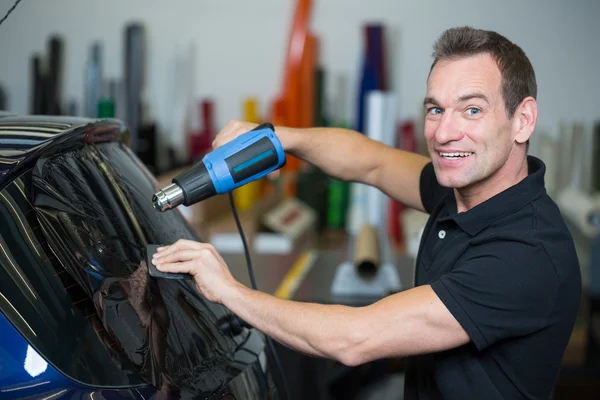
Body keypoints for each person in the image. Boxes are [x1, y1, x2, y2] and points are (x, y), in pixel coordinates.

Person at [152, 26, 582, 399]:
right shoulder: (465, 189)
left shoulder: (526, 253)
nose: (445, 132)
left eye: (472, 109)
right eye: (436, 109)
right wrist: (279, 138)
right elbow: (370, 160)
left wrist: (228, 290)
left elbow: (354, 339)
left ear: (522, 119)